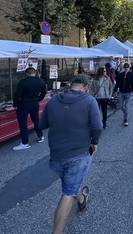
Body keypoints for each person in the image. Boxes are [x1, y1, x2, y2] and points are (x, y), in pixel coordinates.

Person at [39, 74, 102, 234]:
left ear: (71, 85)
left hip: (56, 154)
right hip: (78, 153)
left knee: (71, 183)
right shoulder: (89, 101)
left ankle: (81, 199)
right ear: (86, 87)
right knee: (68, 192)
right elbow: (97, 126)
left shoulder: (53, 101)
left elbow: (42, 124)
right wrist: (94, 142)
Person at [13, 67, 47, 151]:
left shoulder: (23, 82)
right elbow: (44, 92)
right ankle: (41, 136)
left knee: (23, 124)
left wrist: (15, 104)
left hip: (23, 105)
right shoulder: (41, 81)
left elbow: (17, 94)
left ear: (26, 73)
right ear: (35, 73)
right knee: (36, 120)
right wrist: (39, 99)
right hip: (35, 103)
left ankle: (25, 143)